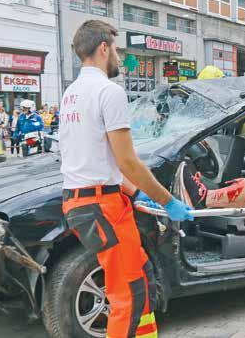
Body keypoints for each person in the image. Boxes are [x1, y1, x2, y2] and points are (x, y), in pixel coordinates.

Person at [59, 20, 193, 338]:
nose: (118, 56)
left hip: (89, 201)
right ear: (104, 48)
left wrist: (134, 193)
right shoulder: (109, 91)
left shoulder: (71, 94)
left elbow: (95, 158)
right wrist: (168, 200)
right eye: (116, 49)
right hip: (100, 205)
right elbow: (128, 161)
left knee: (142, 277)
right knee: (129, 293)